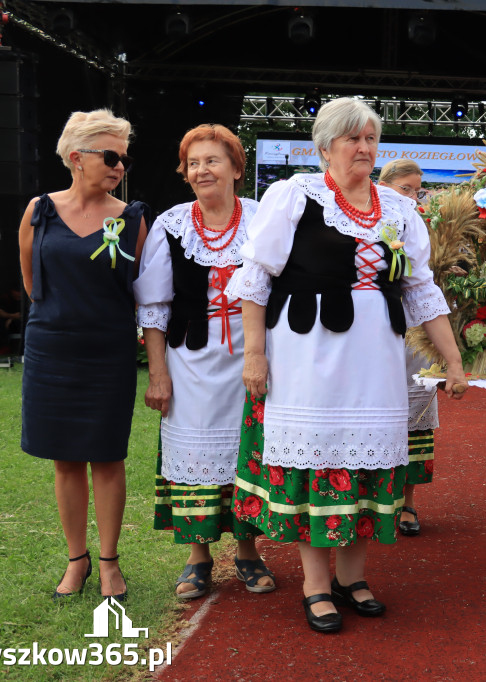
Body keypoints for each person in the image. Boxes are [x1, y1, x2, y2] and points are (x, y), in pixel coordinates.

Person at [225, 97, 466, 634]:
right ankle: (315, 584)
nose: (363, 148)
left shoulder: (398, 209)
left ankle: (352, 577)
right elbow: (257, 276)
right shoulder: (293, 196)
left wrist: (453, 360)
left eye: (370, 139)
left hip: (376, 356)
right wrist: (256, 355)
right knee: (319, 458)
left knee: (366, 460)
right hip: (307, 351)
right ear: (325, 147)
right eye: (352, 139)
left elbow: (421, 287)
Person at [134, 124, 275, 600]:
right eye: (193, 163)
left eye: (212, 160)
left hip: (252, 359)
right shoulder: (171, 225)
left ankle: (248, 552)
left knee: (248, 453)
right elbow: (153, 309)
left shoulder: (262, 219)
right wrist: (158, 375)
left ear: (237, 168)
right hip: (190, 362)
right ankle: (198, 559)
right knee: (194, 455)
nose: (201, 170)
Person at [18, 109, 149, 601]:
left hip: (108, 355)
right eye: (111, 155)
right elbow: (33, 285)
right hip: (52, 351)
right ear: (77, 158)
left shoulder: (133, 218)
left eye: (124, 157)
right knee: (65, 460)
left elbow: (138, 291)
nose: (120, 166)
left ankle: (111, 562)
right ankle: (77, 560)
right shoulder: (39, 211)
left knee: (108, 458)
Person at [378, 159, 435, 536]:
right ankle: (381, 501)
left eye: (418, 190)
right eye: (405, 189)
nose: (413, 197)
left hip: (416, 329)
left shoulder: (423, 225)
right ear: (383, 186)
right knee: (378, 418)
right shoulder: (368, 221)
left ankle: (409, 504)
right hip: (376, 329)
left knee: (416, 415)